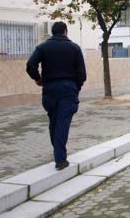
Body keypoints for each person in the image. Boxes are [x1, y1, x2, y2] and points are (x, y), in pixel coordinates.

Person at [26, 22, 86, 170]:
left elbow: (30, 65)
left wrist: (38, 79)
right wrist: (76, 87)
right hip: (68, 89)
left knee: (54, 121)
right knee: (62, 123)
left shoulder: (43, 47)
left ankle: (58, 151)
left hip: (50, 89)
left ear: (52, 32)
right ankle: (60, 159)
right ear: (65, 31)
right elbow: (81, 73)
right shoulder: (74, 48)